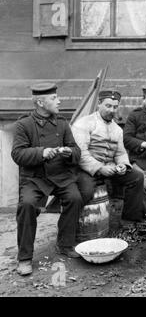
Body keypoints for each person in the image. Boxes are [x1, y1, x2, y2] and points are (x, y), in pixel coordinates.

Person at [11, 83, 83, 276]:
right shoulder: (23, 124)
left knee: (75, 198)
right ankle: (25, 258)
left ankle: (65, 244)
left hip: (60, 176)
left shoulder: (62, 123)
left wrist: (69, 152)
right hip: (35, 178)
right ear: (40, 102)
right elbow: (17, 154)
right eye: (54, 98)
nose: (59, 101)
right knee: (26, 205)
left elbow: (76, 150)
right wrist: (42, 152)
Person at [72, 90, 146, 228]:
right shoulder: (84, 123)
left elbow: (121, 153)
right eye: (108, 106)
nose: (112, 110)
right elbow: (81, 153)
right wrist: (100, 168)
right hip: (86, 169)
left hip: (110, 168)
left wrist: (123, 164)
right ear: (99, 104)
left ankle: (129, 220)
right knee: (86, 191)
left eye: (115, 107)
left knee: (137, 177)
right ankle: (77, 226)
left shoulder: (117, 129)